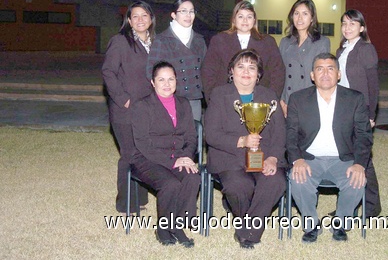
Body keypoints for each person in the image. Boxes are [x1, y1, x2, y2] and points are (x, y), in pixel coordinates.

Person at [286, 53, 372, 243]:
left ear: (338, 74)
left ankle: (340, 224)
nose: (325, 73)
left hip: (343, 158)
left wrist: (359, 164)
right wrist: (297, 159)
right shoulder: (298, 99)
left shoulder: (354, 99)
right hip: (309, 157)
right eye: (319, 69)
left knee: (357, 181)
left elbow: (364, 136)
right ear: (312, 75)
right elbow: (290, 135)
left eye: (330, 68)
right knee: (297, 179)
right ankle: (311, 225)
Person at [204, 49, 286, 249]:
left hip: (263, 157)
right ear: (231, 71)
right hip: (229, 158)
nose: (246, 72)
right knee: (239, 187)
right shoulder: (219, 95)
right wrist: (242, 141)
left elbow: (280, 133)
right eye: (240, 66)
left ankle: (247, 229)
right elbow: (211, 134)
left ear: (259, 74)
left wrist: (273, 158)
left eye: (252, 67)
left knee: (275, 182)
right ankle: (250, 227)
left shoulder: (269, 96)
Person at [131, 61, 200, 248]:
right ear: (153, 82)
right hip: (147, 159)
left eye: (171, 79)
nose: (167, 83)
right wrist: (174, 161)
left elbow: (191, 136)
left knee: (192, 178)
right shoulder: (142, 106)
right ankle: (163, 228)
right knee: (170, 184)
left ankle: (177, 226)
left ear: (176, 81)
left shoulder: (183, 104)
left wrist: (186, 156)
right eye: (161, 79)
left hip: (178, 155)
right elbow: (143, 144)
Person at [102, 0, 155, 213]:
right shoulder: (120, 41)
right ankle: (125, 203)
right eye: (135, 16)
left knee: (143, 153)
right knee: (129, 154)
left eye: (144, 15)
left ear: (151, 19)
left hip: (148, 109)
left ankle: (140, 197)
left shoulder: (155, 43)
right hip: (126, 110)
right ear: (129, 21)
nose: (140, 20)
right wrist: (123, 98)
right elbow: (108, 72)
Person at [335, 9, 381, 217]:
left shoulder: (366, 49)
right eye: (344, 23)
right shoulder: (341, 50)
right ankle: (348, 204)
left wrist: (371, 115)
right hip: (342, 110)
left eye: (352, 24)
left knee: (363, 160)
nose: (347, 27)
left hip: (359, 112)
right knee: (345, 158)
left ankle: (371, 207)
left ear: (362, 28)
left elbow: (373, 85)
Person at [201, 0, 285, 102]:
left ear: (254, 20)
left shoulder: (268, 42)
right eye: (240, 16)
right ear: (234, 19)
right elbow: (208, 71)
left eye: (249, 17)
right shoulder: (219, 40)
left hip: (259, 100)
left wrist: (271, 98)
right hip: (225, 100)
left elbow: (278, 72)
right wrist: (213, 98)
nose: (245, 21)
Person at [147, 0, 207, 121]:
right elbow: (151, 71)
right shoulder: (162, 40)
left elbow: (205, 69)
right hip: (170, 98)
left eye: (191, 11)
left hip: (193, 100)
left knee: (193, 136)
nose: (188, 15)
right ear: (174, 15)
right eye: (183, 11)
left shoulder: (199, 40)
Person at [279, 0, 330, 117]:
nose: (299, 18)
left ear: (312, 18)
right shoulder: (285, 42)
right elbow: (280, 73)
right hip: (287, 101)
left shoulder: (321, 42)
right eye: (296, 13)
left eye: (305, 14)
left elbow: (322, 75)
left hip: (310, 102)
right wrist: (281, 100)